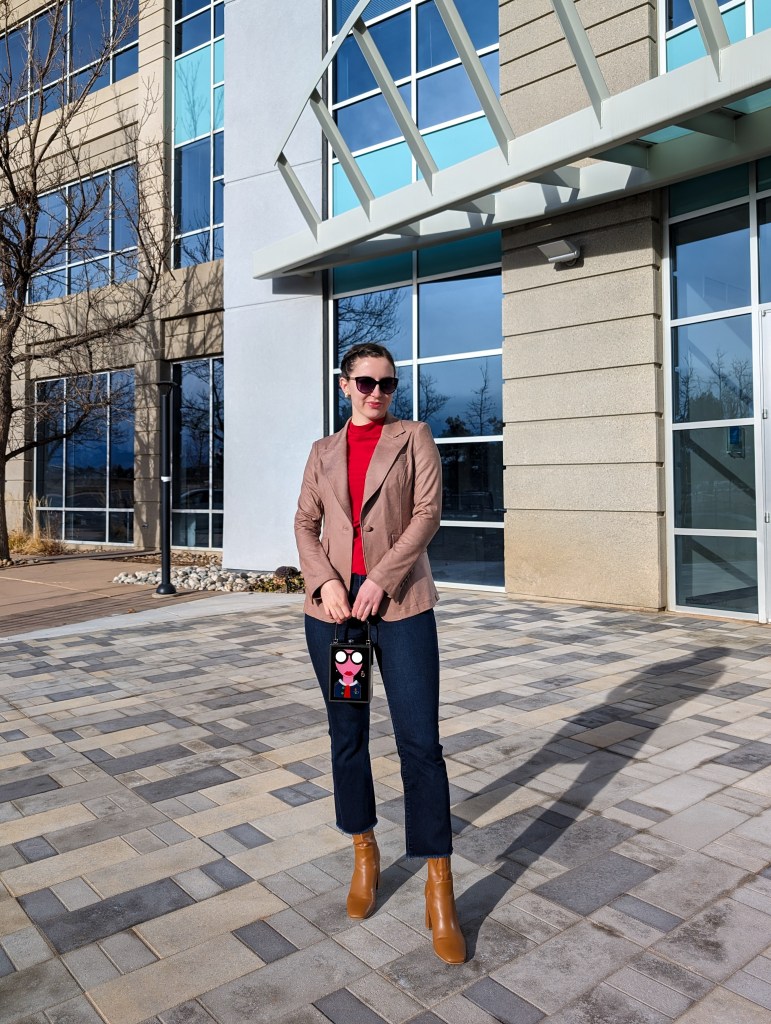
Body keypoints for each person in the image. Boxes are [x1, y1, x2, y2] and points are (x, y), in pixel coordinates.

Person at [294, 342, 465, 965]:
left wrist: (378, 579)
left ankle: (438, 880)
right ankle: (364, 850)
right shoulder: (322, 452)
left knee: (421, 742)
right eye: (366, 383)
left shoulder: (414, 436)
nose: (377, 393)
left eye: (387, 384)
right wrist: (330, 584)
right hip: (335, 619)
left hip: (402, 610)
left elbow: (427, 516)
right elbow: (303, 524)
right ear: (344, 385)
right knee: (349, 735)